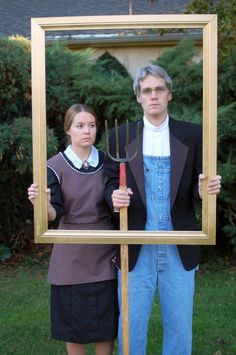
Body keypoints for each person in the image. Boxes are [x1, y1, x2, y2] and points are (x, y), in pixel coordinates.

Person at [103, 65, 222, 355]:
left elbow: (198, 183)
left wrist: (206, 190)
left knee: (180, 325)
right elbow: (107, 183)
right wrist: (113, 197)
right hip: (135, 243)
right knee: (131, 325)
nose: (153, 95)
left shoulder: (193, 134)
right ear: (138, 98)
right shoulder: (121, 135)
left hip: (179, 242)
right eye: (147, 91)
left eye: (159, 89)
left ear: (169, 94)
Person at [28, 103, 118, 355]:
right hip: (70, 253)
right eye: (80, 126)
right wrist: (42, 203)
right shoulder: (54, 166)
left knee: (105, 325)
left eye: (91, 125)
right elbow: (54, 214)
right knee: (74, 325)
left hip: (104, 252)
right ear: (68, 129)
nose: (86, 131)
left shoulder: (109, 162)